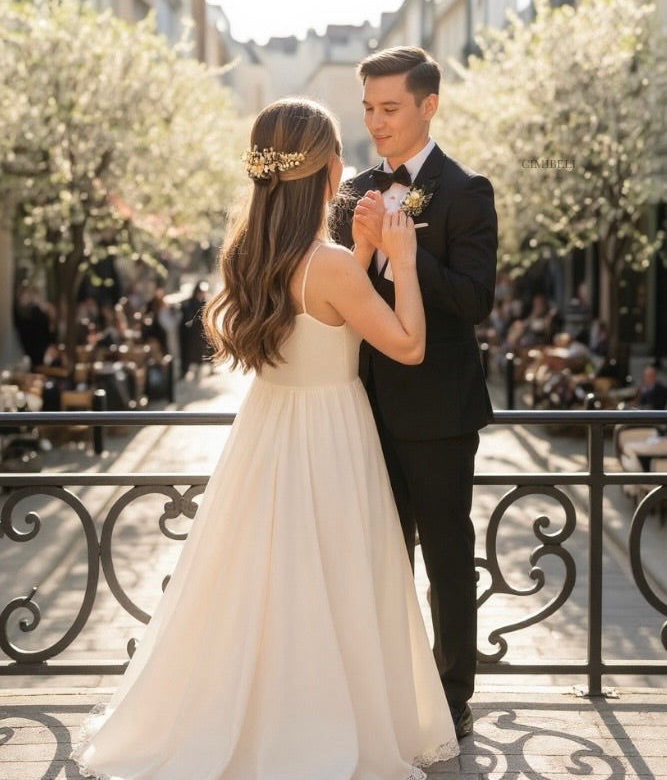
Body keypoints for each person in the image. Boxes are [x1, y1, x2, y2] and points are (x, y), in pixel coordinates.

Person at [71, 97, 458, 780]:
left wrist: (363, 252)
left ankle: (259, 713)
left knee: (264, 580)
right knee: (334, 578)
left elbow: (320, 311)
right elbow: (407, 344)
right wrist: (400, 258)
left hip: (268, 429)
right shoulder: (331, 265)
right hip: (331, 434)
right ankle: (323, 721)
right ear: (327, 171)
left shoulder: (248, 256)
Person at [337, 46, 498, 740]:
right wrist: (363, 246)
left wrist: (408, 256)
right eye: (368, 108)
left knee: (446, 557)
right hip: (358, 404)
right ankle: (382, 690)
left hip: (438, 413)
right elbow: (340, 288)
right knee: (377, 554)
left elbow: (475, 300)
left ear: (428, 106)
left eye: (390, 108)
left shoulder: (466, 191)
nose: (376, 122)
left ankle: (450, 695)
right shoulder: (352, 190)